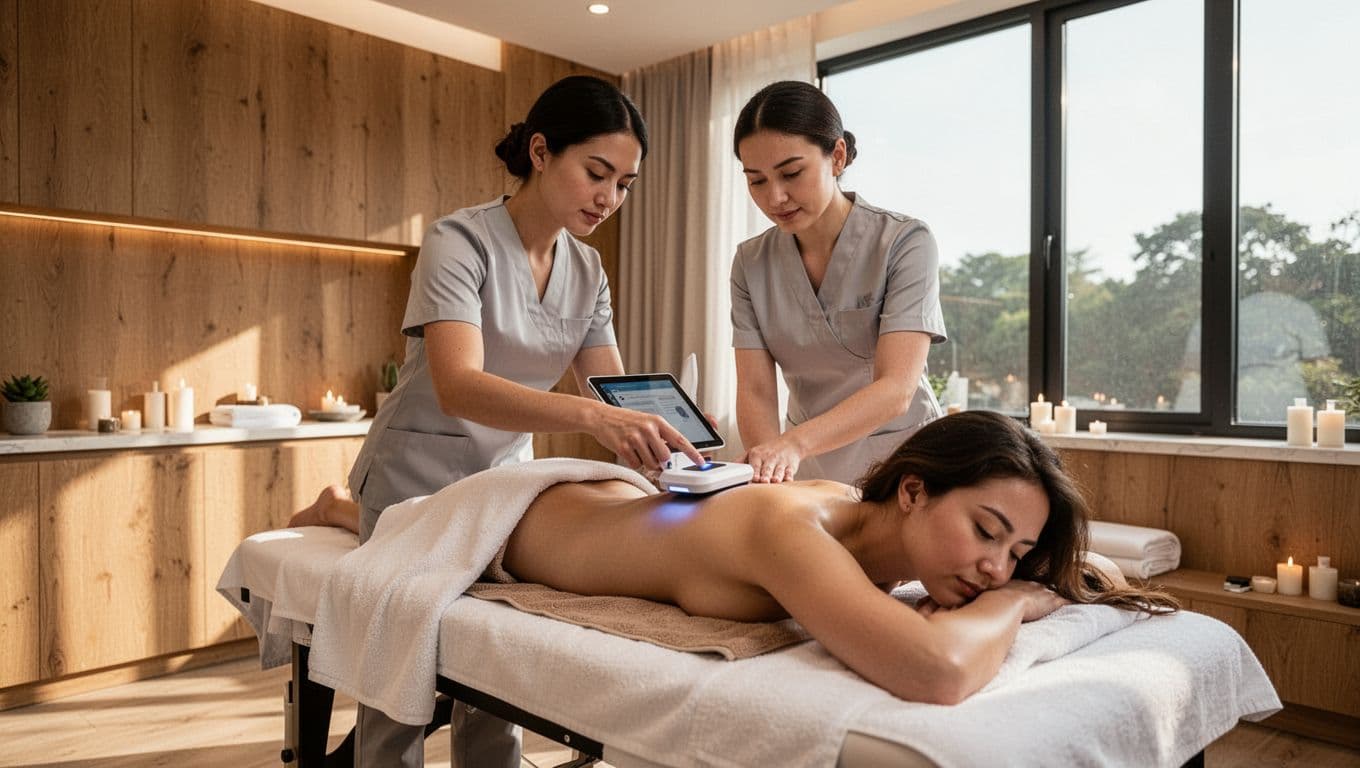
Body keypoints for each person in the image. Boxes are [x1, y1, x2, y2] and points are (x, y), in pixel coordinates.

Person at [298, 411, 1177, 705]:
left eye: (1018, 555)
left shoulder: (854, 521)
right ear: (911, 490)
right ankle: (342, 506)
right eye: (987, 533)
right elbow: (934, 673)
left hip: (617, 511)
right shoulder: (793, 531)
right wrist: (1017, 605)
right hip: (512, 522)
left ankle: (355, 510)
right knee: (385, 529)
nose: (997, 566)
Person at [342, 74, 703, 768]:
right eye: (597, 173)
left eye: (625, 184)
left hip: (504, 483)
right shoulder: (459, 242)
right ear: (541, 152)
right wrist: (591, 415)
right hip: (412, 478)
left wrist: (670, 429)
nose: (610, 198)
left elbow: (609, 390)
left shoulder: (588, 269)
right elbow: (459, 385)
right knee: (396, 681)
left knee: (494, 672)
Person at [730, 81, 947, 485]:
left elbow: (896, 388)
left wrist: (793, 444)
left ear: (837, 156)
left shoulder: (904, 242)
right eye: (756, 180)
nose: (775, 197)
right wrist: (769, 477)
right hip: (802, 469)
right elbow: (756, 391)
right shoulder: (750, 263)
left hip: (903, 462)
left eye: (791, 173)